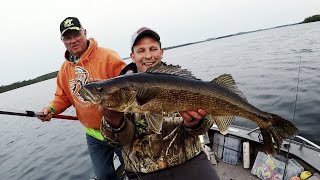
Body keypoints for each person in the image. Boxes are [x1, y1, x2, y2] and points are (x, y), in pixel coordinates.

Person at [99, 27, 220, 180]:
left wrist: (194, 123)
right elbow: (118, 142)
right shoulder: (121, 90)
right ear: (132, 56)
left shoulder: (182, 82)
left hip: (190, 161)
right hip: (142, 172)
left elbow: (203, 127)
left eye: (153, 49)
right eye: (141, 50)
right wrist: (114, 121)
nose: (148, 55)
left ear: (161, 52)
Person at [38, 17, 126, 180]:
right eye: (67, 37)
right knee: (103, 175)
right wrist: (50, 109)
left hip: (119, 130)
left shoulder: (108, 56)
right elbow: (62, 97)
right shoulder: (64, 70)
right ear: (63, 41)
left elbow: (129, 85)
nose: (73, 40)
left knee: (133, 169)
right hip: (93, 135)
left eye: (76, 34)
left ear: (84, 33)